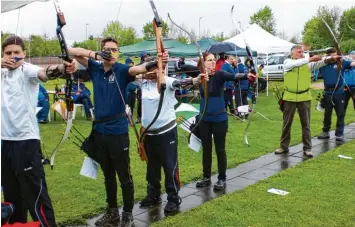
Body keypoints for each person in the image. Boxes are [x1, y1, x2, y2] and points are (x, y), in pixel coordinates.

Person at [68, 37, 168, 227]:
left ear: (118, 52)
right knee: (108, 174)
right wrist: (95, 55)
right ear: (101, 50)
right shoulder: (95, 68)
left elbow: (138, 69)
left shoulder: (122, 69)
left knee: (124, 174)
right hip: (99, 131)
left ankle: (128, 214)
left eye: (114, 50)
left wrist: (157, 62)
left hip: (118, 130)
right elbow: (71, 50)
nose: (110, 52)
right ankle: (112, 212)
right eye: (107, 49)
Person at [1, 35, 77, 227]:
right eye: (8, 53)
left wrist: (63, 68)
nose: (13, 56)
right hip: (4, 142)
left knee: (36, 197)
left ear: (24, 54)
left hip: (26, 142)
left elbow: (46, 73)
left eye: (16, 53)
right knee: (12, 197)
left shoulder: (27, 70)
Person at [136, 59, 207, 212]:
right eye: (152, 68)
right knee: (152, 166)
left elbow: (181, 83)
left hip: (166, 132)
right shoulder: (143, 82)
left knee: (169, 166)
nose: (155, 71)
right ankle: (153, 195)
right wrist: (143, 73)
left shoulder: (167, 81)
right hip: (149, 133)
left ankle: (173, 198)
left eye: (158, 68)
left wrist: (195, 79)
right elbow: (130, 74)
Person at [194, 52, 255, 191]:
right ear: (203, 63)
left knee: (220, 149)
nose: (213, 62)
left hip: (219, 119)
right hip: (204, 119)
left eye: (214, 60)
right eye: (209, 60)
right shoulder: (200, 78)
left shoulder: (220, 75)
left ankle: (222, 179)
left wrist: (247, 75)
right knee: (206, 149)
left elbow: (233, 76)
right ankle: (206, 177)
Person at [274, 45, 341, 157]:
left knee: (306, 125)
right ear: (292, 54)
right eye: (298, 52)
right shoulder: (287, 62)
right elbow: (295, 63)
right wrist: (309, 59)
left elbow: (323, 62)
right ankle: (283, 147)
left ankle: (307, 148)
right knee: (287, 124)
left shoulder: (307, 64)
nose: (301, 53)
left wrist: (334, 58)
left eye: (302, 52)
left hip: (304, 97)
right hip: (289, 97)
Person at [317, 48, 355, 141]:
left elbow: (352, 64)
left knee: (340, 113)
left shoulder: (341, 63)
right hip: (328, 93)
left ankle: (339, 133)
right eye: (333, 55)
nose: (336, 57)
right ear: (329, 56)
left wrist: (347, 58)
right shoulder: (323, 64)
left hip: (339, 92)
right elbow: (317, 61)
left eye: (336, 55)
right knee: (327, 114)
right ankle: (325, 132)